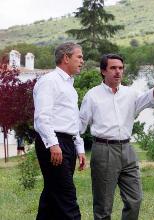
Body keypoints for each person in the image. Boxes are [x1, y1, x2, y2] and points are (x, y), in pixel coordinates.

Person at [79, 54, 154, 220]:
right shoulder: (92, 96)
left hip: (127, 150)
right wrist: (78, 149)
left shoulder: (131, 94)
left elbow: (152, 98)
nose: (118, 72)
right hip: (103, 150)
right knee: (103, 205)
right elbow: (80, 125)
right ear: (103, 71)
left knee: (135, 199)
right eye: (113, 68)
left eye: (120, 68)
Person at [33, 42, 86, 220]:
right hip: (53, 142)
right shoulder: (49, 81)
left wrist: (79, 148)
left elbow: (72, 121)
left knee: (52, 195)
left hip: (67, 143)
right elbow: (42, 117)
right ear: (66, 58)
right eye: (79, 57)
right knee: (66, 195)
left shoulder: (70, 86)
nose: (82, 61)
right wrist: (53, 144)